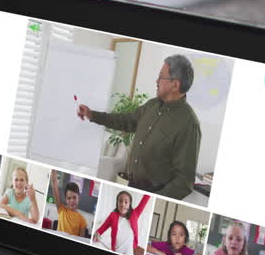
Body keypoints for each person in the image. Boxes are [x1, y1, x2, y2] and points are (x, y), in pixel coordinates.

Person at [77, 54, 202, 200]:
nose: (157, 81)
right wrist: (92, 115)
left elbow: (184, 183)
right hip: (131, 186)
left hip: (152, 193)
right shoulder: (152, 105)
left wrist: (152, 199)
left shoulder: (189, 124)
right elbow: (125, 120)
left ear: (175, 85)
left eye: (161, 77)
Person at [93, 190, 151, 255]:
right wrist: (97, 233)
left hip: (129, 253)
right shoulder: (112, 215)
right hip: (116, 251)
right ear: (117, 203)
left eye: (126, 202)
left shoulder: (135, 214)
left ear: (130, 204)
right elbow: (102, 228)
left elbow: (144, 201)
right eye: (120, 201)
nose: (123, 204)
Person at [49, 171, 89, 237]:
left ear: (78, 198)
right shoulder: (61, 209)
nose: (72, 201)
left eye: (74, 197)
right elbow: (54, 183)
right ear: (65, 199)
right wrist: (53, 171)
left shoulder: (82, 221)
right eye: (69, 198)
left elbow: (81, 240)